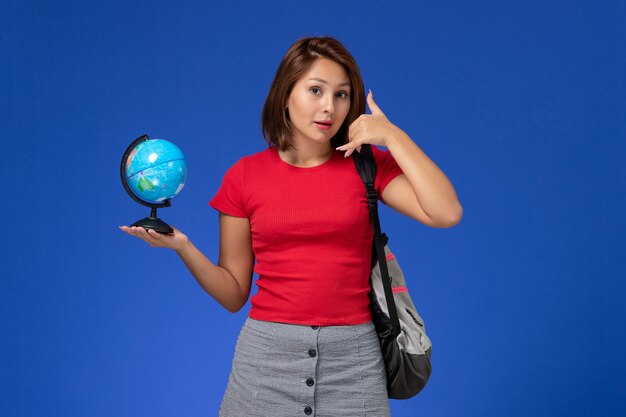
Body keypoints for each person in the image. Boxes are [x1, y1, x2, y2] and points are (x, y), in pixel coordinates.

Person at [120, 36, 462, 417]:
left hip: (355, 366)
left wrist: (393, 136)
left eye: (342, 95)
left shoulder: (366, 165)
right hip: (265, 365)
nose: (329, 107)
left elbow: (445, 212)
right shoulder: (244, 177)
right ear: (286, 94)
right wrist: (183, 247)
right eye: (315, 90)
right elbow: (234, 294)